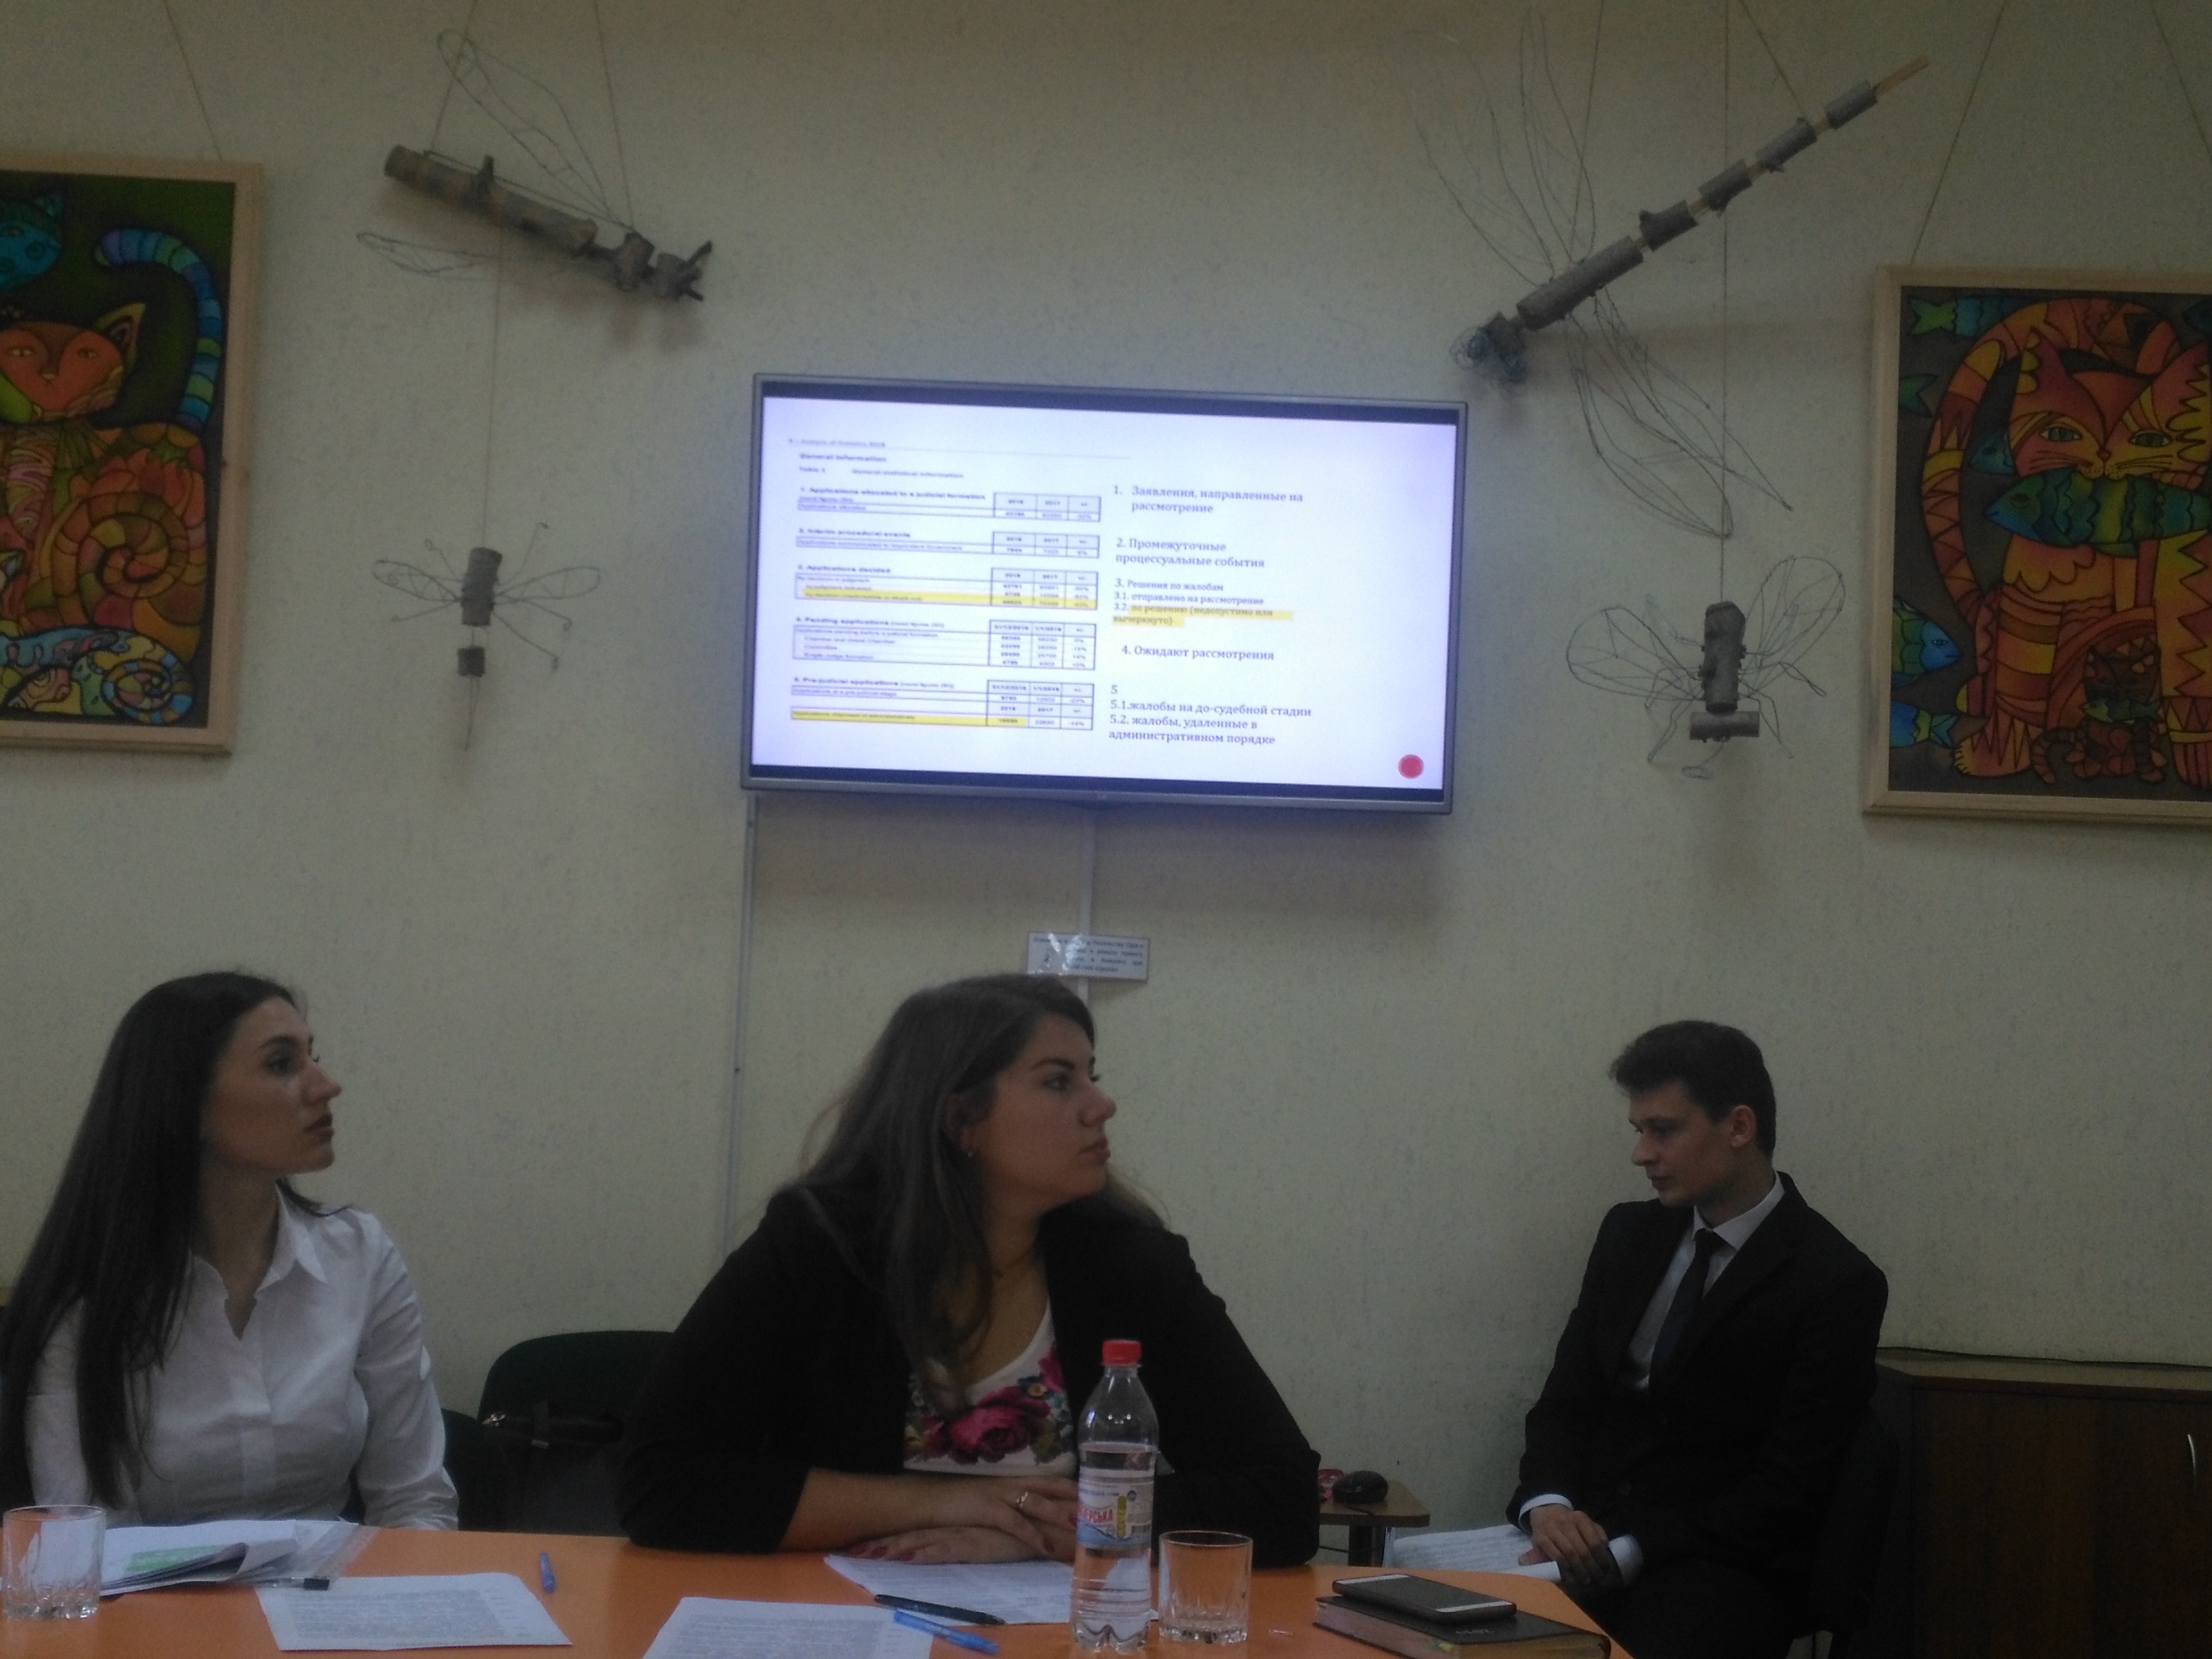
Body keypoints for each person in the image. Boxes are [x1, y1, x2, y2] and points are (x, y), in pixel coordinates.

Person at [620, 973, 1319, 1565]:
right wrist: (952, 1501)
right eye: (1058, 1081)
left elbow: (1283, 1496)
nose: (1101, 1106)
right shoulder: (819, 1246)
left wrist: (1039, 1532)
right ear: (960, 1120)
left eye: (1092, 1077)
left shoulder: (1132, 1267)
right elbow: (661, 1481)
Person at [0, 973, 457, 1528]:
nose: (326, 1085)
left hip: (334, 1581)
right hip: (148, 1585)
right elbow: (88, 1540)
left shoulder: (359, 1254)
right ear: (187, 1104)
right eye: (282, 1064)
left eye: (312, 1057)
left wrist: (405, 1587)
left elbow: (415, 1498)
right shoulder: (86, 1299)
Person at [1508, 1021, 1887, 1659]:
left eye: (1663, 1130)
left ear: (1738, 1128)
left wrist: (1628, 1551)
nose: (1640, 1154)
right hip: (1580, 1540)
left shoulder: (1834, 1282)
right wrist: (1547, 1505)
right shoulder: (1628, 1235)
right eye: (1638, 1131)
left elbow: (1787, 1491)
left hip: (1718, 1567)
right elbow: (1567, 1400)